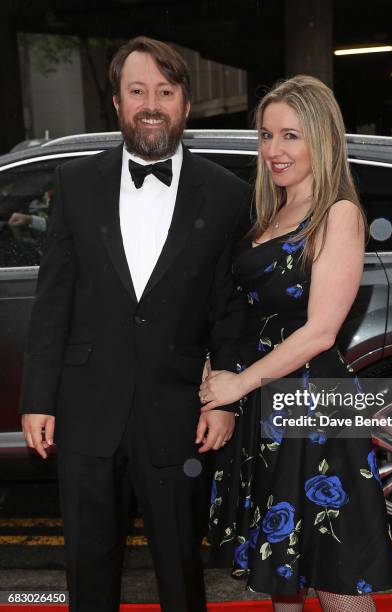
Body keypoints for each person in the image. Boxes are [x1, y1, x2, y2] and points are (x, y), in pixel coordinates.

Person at [19, 36, 250, 612]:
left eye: (165, 92)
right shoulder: (75, 184)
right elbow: (54, 300)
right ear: (117, 105)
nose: (152, 103)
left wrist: (224, 398)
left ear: (185, 105)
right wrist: (37, 398)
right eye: (138, 90)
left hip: (178, 415)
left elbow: (231, 308)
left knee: (180, 569)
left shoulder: (226, 195)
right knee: (88, 570)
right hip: (85, 408)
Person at [200, 75, 392, 611]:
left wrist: (238, 383)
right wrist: (217, 372)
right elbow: (239, 309)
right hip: (266, 407)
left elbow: (320, 331)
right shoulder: (267, 215)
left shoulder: (338, 213)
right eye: (266, 136)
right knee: (281, 570)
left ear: (322, 139)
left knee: (337, 572)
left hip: (315, 405)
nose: (274, 150)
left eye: (290, 135)